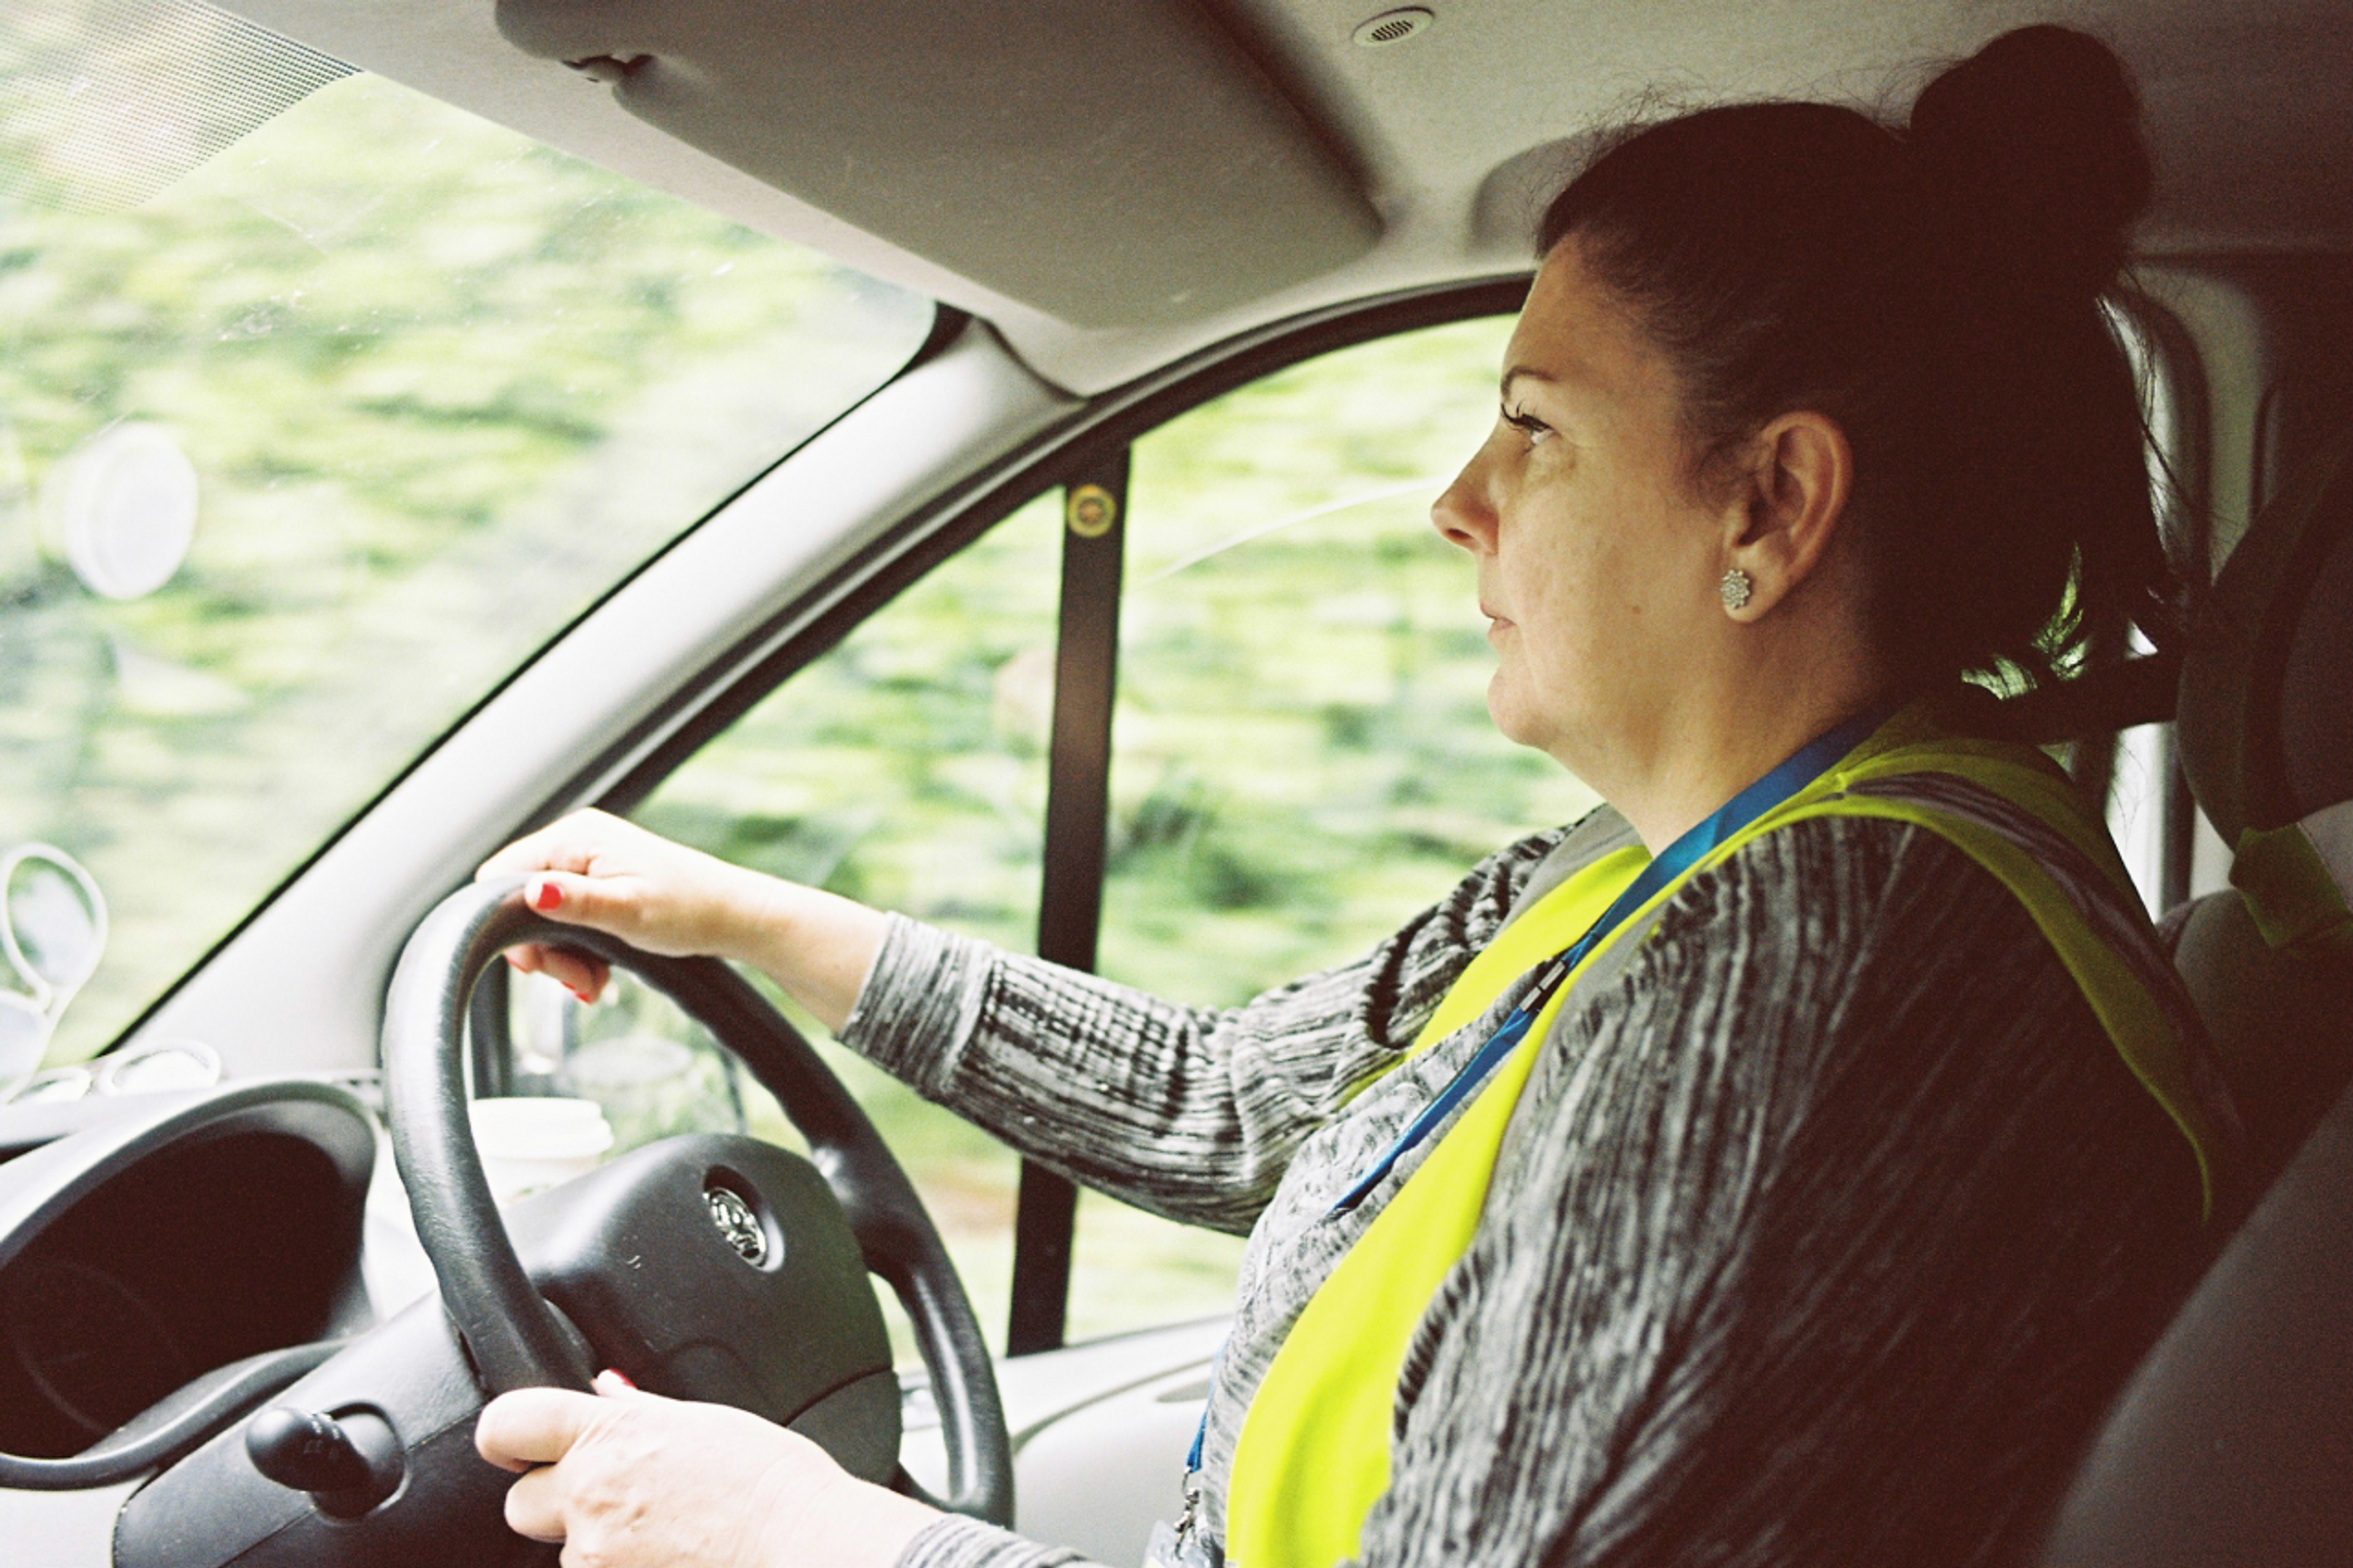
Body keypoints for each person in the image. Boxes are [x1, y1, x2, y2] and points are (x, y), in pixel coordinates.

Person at [470, 26, 2235, 1568]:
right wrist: (735, 912)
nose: (1458, 501)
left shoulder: (1830, 961)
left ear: (1768, 504)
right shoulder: (1654, 872)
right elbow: (1226, 1101)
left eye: (1534, 428)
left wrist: (817, 1537)